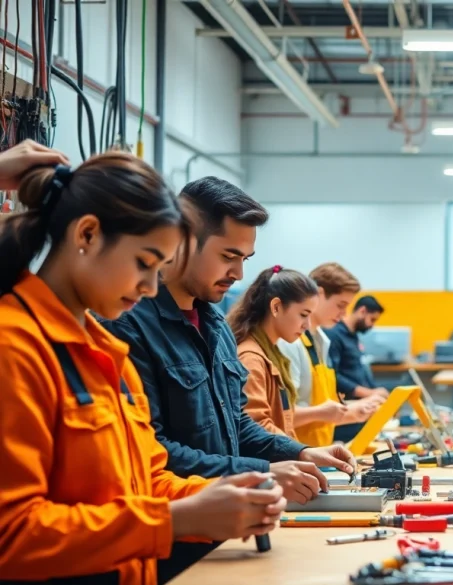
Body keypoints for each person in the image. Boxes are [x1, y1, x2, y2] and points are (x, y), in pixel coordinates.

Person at [0, 144, 286, 584]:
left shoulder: (105, 353)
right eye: (144, 263)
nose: (152, 288)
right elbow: (12, 537)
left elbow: (147, 479)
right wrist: (177, 521)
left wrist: (220, 495)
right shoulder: (15, 348)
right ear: (88, 235)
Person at [104, 177, 357, 507]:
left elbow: (236, 424)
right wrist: (261, 471)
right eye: (228, 256)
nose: (238, 273)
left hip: (230, 523)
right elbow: (153, 449)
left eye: (245, 259)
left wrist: (301, 452)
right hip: (174, 532)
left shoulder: (217, 329)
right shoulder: (129, 327)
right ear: (182, 240)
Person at [278, 262, 381, 448]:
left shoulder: (322, 341)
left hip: (319, 450)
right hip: (293, 454)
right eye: (340, 305)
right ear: (319, 293)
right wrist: (326, 412)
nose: (343, 315)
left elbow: (320, 407)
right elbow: (280, 416)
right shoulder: (290, 343)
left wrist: (354, 412)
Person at [227, 266, 319, 439]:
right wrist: (302, 452)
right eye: (303, 314)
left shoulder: (270, 352)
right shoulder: (251, 359)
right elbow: (257, 427)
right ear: (276, 307)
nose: (307, 325)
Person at [325, 295, 390, 442]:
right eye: (372, 319)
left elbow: (359, 370)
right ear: (362, 311)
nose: (372, 325)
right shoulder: (334, 335)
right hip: (346, 412)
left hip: (362, 408)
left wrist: (376, 392)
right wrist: (368, 393)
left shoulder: (353, 336)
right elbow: (333, 376)